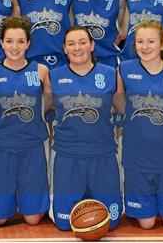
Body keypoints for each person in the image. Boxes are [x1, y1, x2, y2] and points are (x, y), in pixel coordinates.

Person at [115, 20, 163, 230]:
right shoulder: (124, 69)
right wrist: (132, 114)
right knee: (147, 223)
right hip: (136, 157)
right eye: (140, 41)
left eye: (151, 41)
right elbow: (118, 100)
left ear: (162, 44)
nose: (144, 46)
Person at [49, 26, 122, 231]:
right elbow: (42, 108)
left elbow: (123, 107)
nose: (77, 48)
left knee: (111, 222)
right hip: (67, 156)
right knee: (65, 223)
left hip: (103, 155)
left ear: (92, 45)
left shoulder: (110, 74)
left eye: (82, 42)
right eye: (71, 44)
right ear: (64, 48)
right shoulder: (53, 76)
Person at [0, 16, 52, 225]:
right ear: (1, 43)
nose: (15, 46)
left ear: (28, 44)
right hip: (1, 146)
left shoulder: (41, 71)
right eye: (9, 41)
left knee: (32, 219)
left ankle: (29, 200)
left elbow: (47, 103)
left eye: (20, 41)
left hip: (32, 146)